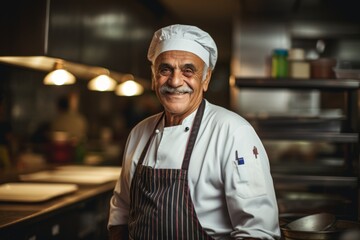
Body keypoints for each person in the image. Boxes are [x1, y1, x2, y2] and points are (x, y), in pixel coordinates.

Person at [108, 24, 280, 240]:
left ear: (206, 79)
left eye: (188, 70)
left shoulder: (234, 133)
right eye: (165, 69)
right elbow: (121, 212)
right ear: (154, 77)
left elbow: (258, 231)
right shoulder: (139, 133)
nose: (175, 81)